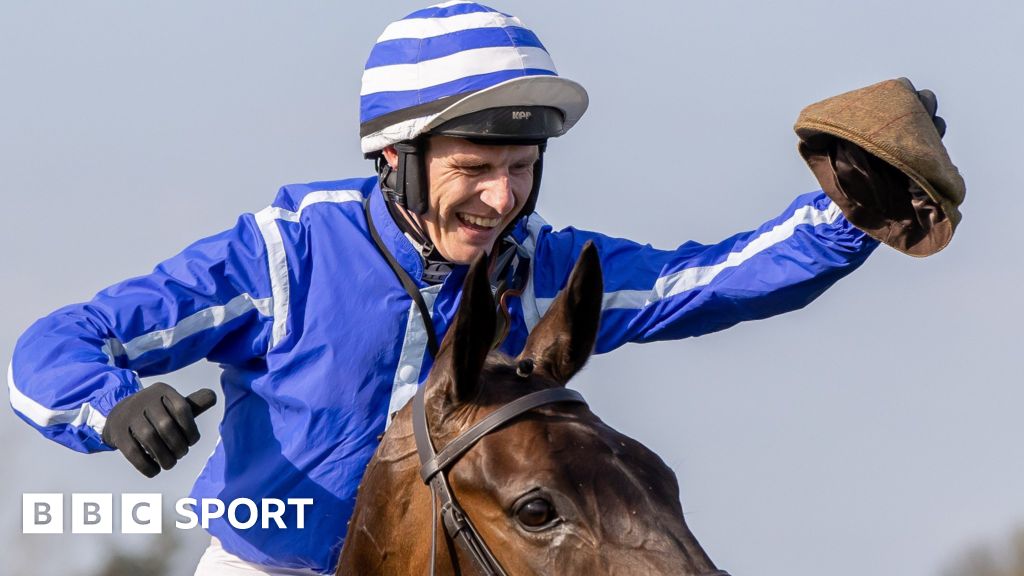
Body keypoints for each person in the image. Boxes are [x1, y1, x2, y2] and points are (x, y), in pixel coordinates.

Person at [7, 2, 959, 575]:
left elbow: (707, 282)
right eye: (474, 168)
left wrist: (851, 211)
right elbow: (58, 344)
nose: (502, 199)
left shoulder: (536, 263)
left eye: (521, 168)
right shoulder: (285, 255)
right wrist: (111, 406)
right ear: (395, 159)